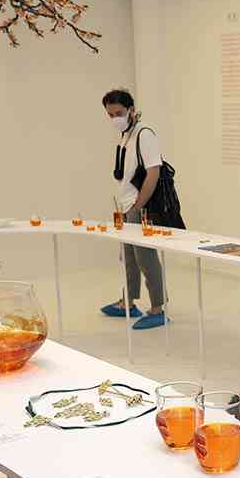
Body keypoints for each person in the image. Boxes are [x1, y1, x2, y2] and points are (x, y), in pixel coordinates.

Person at [100, 89, 167, 330]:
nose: (114, 118)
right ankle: (127, 302)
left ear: (131, 109)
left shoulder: (144, 134)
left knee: (145, 258)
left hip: (139, 206)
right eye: (110, 115)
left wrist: (138, 206)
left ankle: (158, 308)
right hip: (125, 205)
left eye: (118, 113)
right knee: (128, 257)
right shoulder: (126, 135)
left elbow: (153, 172)